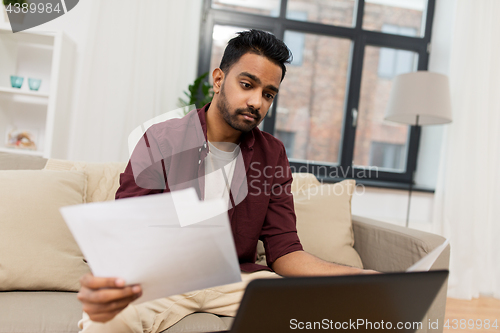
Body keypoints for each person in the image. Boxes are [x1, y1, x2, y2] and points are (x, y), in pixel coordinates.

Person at [77, 29, 376, 333]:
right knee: (107, 319)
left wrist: (357, 276)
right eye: (247, 85)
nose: (257, 102)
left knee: (333, 310)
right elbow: (126, 227)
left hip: (236, 278)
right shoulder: (161, 139)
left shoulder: (272, 153)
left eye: (268, 94)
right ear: (219, 79)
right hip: (165, 279)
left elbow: (284, 250)